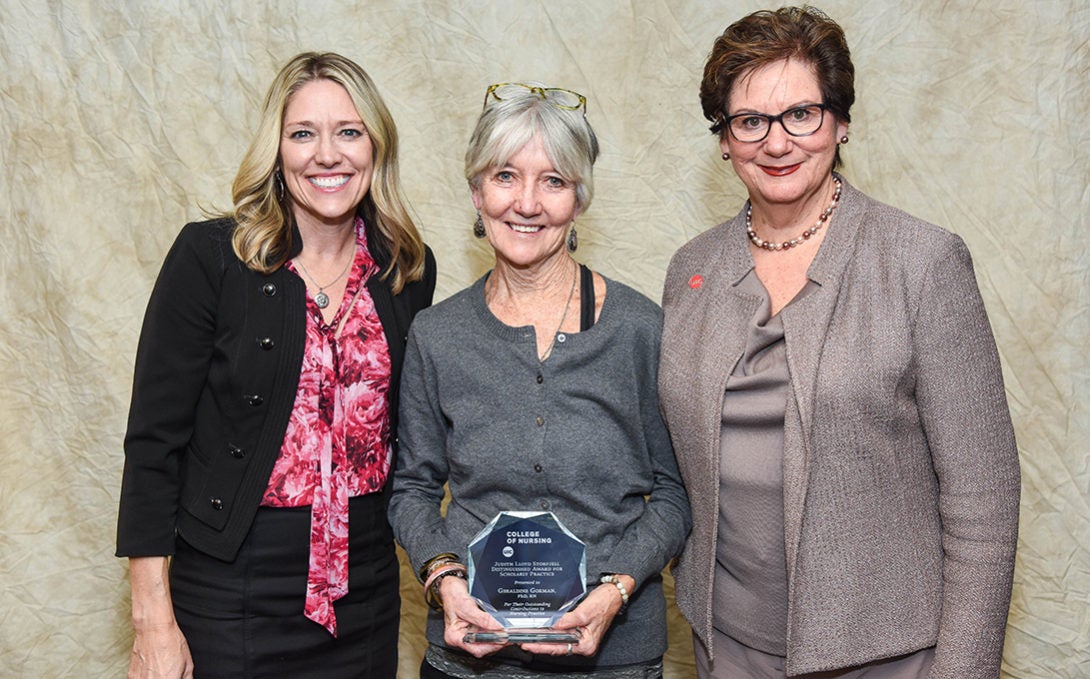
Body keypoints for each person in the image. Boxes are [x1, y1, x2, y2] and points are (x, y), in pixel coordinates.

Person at [658, 7, 1020, 679]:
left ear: (841, 120)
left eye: (802, 113)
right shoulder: (691, 269)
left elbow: (984, 507)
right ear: (724, 140)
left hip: (889, 657)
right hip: (726, 649)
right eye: (750, 121)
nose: (776, 142)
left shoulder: (923, 262)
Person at [115, 52, 435, 678]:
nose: (327, 154)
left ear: (376, 145)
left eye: (348, 131)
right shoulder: (211, 258)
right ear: (276, 148)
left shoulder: (406, 271)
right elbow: (153, 445)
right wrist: (151, 619)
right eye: (302, 134)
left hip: (365, 589)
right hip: (232, 588)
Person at [389, 82, 691, 679]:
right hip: (469, 656)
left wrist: (614, 590)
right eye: (505, 176)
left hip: (615, 658)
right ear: (476, 191)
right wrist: (444, 580)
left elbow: (676, 494)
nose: (526, 203)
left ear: (579, 199)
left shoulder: (640, 329)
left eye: (553, 180)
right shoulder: (437, 333)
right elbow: (413, 491)